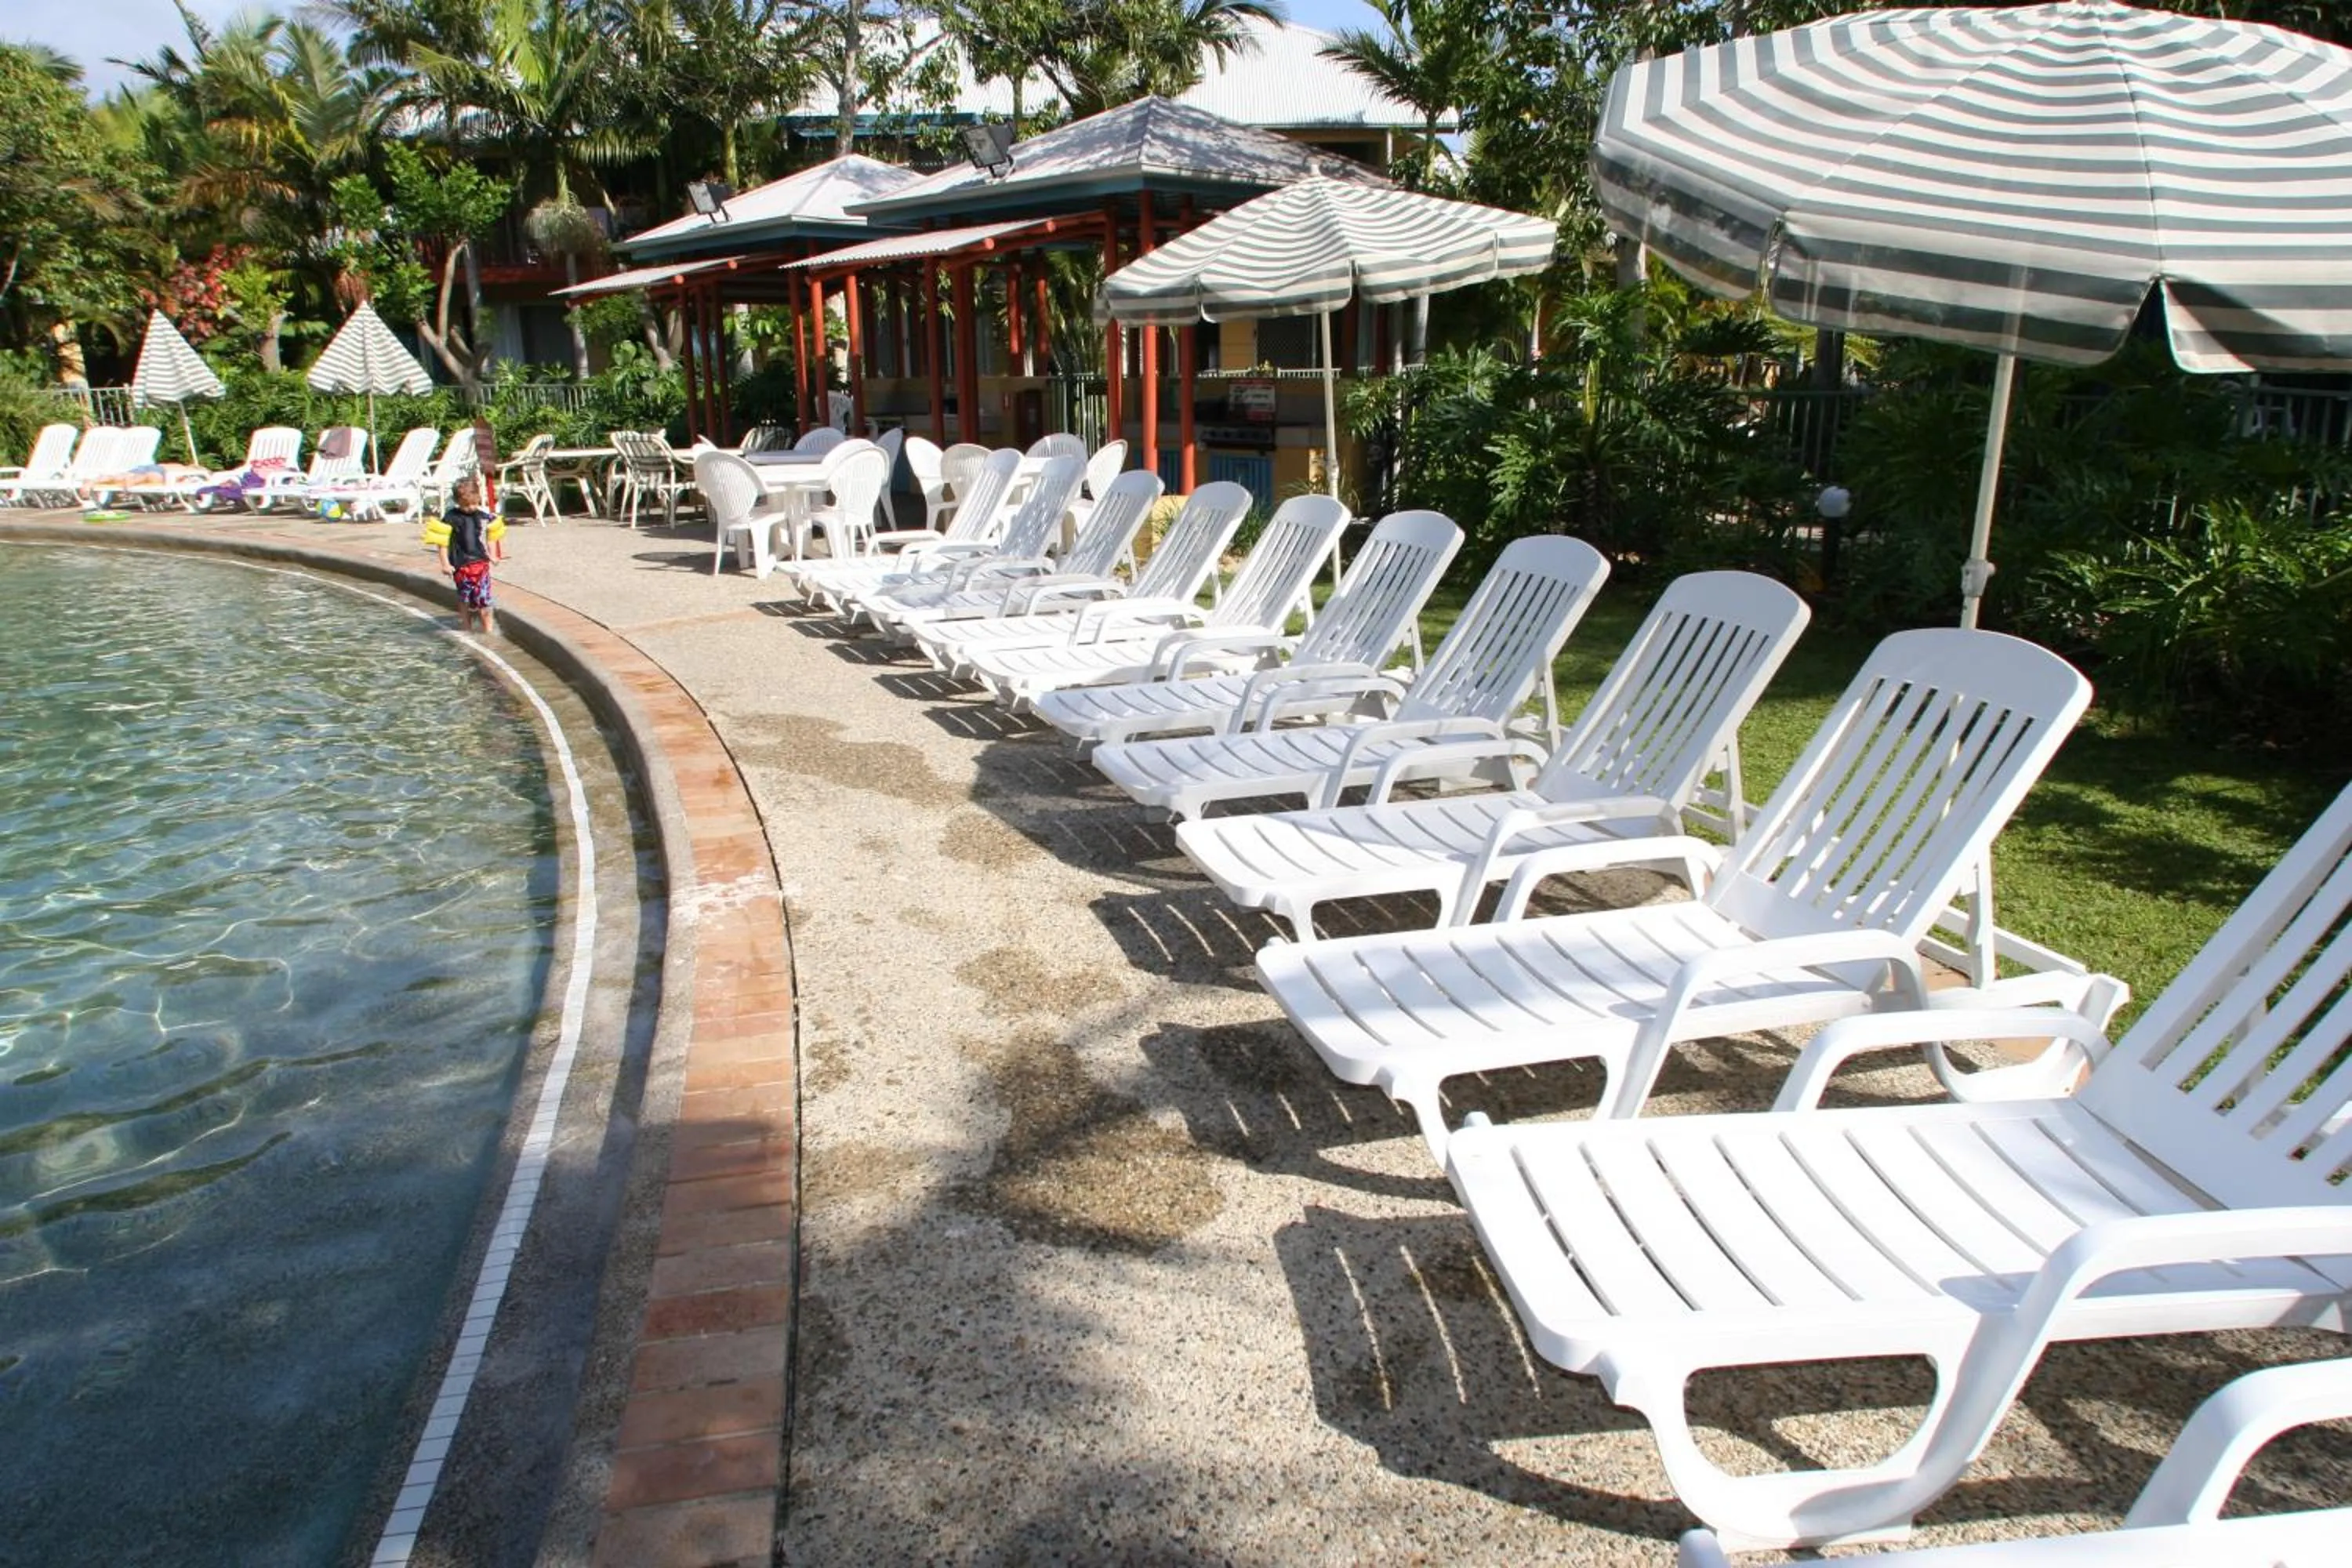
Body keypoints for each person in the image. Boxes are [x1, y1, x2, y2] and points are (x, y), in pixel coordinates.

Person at [435, 475, 505, 636]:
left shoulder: (482, 516)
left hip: (481, 563)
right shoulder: (450, 518)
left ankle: (488, 631)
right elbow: (442, 543)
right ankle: (466, 627)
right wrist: (445, 564)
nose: (472, 507)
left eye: (475, 503)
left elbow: (491, 536)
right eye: (466, 505)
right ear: (457, 501)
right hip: (460, 566)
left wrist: (493, 555)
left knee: (484, 599)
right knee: (464, 598)